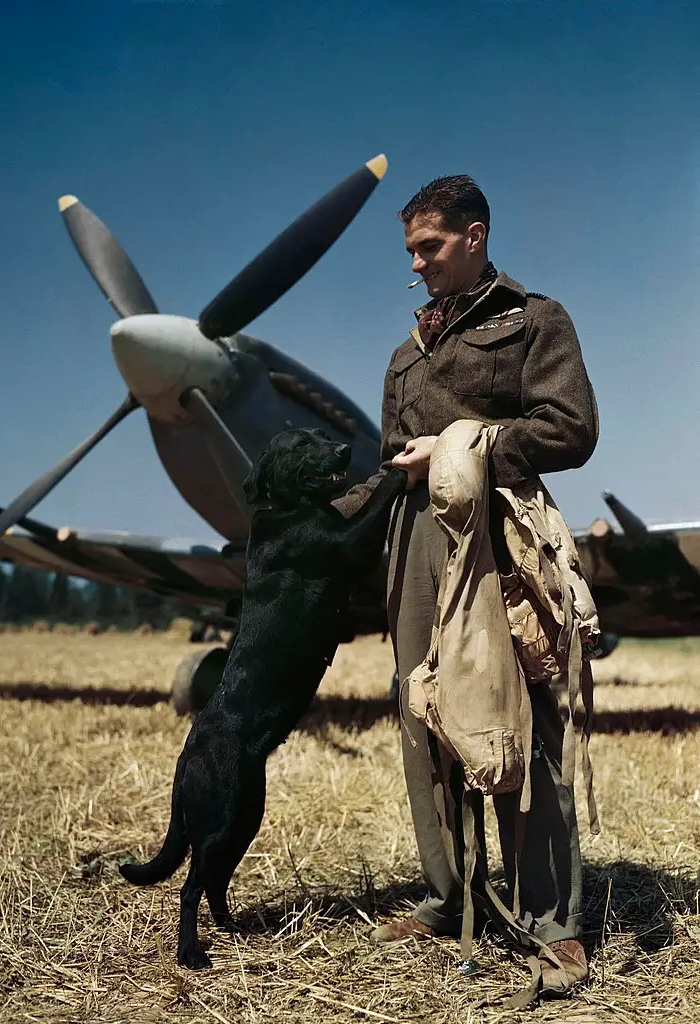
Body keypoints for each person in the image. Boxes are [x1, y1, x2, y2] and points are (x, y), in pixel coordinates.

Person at [334, 174, 598, 992]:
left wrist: (462, 445)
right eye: (409, 250)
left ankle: (551, 922)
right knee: (425, 715)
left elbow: (571, 428)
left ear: (474, 236)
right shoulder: (402, 354)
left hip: (503, 532)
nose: (416, 266)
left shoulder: (533, 320)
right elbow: (389, 461)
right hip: (415, 540)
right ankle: (449, 895)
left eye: (430, 247)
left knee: (527, 718)